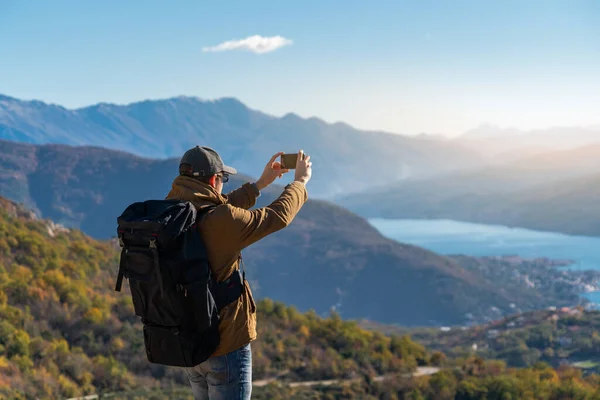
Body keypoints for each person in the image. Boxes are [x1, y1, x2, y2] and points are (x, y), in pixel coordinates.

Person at [165, 146, 312, 400]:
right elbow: (276, 216)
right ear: (213, 180)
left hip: (191, 344)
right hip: (226, 345)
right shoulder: (220, 221)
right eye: (223, 178)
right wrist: (299, 182)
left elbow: (216, 210)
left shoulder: (172, 211)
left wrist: (260, 184)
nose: (222, 184)